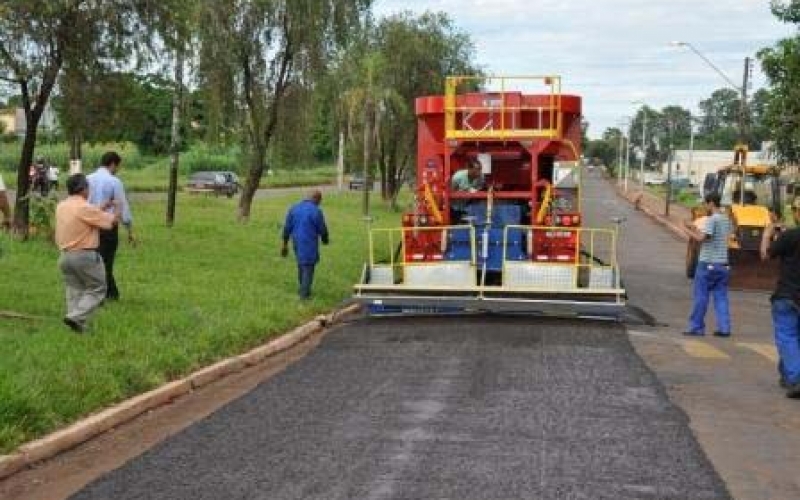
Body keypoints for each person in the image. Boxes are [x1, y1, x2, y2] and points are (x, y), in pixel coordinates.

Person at [55, 173, 119, 332]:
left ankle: (77, 325)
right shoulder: (84, 207)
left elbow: (84, 216)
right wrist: (117, 211)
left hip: (65, 256)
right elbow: (109, 223)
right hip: (84, 255)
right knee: (98, 288)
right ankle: (76, 317)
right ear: (83, 189)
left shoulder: (62, 206)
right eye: (88, 187)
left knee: (74, 290)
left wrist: (100, 208)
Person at [760, 198, 800, 398]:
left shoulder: (790, 236)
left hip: (787, 296)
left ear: (796, 213)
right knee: (794, 339)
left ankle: (796, 379)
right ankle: (787, 375)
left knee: (787, 337)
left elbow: (765, 255)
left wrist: (767, 234)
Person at [682, 192, 733, 336]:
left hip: (707, 264)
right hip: (723, 264)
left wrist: (686, 229)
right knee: (721, 297)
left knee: (701, 296)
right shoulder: (726, 220)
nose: (704, 206)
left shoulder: (712, 220)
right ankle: (725, 328)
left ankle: (696, 327)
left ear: (711, 203)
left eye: (705, 203)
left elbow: (701, 238)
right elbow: (713, 235)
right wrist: (694, 227)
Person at [87, 151, 135, 300]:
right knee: (106, 261)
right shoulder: (114, 181)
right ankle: (106, 293)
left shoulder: (87, 179)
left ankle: (107, 292)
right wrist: (129, 229)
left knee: (94, 259)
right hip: (108, 226)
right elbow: (122, 207)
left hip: (90, 226)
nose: (117, 169)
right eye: (118, 166)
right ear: (113, 164)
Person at [281, 189, 329, 300]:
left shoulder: (294, 208)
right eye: (320, 200)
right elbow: (322, 229)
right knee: (308, 267)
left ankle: (302, 288)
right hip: (309, 242)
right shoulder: (316, 211)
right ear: (316, 199)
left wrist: (284, 244)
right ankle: (304, 295)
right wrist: (325, 239)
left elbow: (287, 228)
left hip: (296, 241)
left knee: (301, 265)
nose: (319, 203)